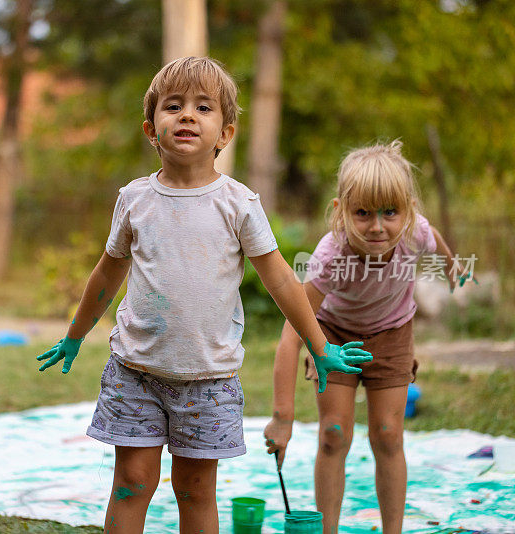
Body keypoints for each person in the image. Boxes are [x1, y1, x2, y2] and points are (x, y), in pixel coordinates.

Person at [36, 56, 372, 534]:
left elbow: (280, 280)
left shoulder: (239, 204)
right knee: (132, 483)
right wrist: (74, 337)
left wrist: (320, 347)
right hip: (136, 372)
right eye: (173, 106)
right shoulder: (134, 200)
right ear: (152, 129)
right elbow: (108, 274)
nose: (187, 115)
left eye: (203, 107)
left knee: (194, 489)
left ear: (225, 133)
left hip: (209, 381)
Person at [263, 141, 467, 533]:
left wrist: (451, 265)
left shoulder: (413, 234)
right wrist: (281, 418)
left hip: (392, 334)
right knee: (334, 434)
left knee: (388, 435)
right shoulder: (330, 256)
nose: (377, 226)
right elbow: (291, 335)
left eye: (390, 212)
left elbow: (434, 236)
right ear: (341, 212)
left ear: (408, 211)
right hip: (333, 338)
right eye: (363, 213)